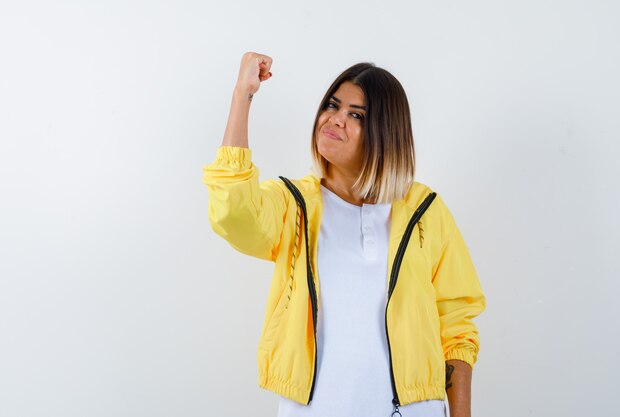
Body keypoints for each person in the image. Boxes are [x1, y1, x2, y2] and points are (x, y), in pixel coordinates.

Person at [202, 51, 486, 417]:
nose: (335, 120)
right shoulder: (294, 206)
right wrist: (242, 96)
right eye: (332, 106)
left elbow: (457, 327)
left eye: (356, 115)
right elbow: (232, 210)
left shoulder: (424, 211)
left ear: (385, 132)